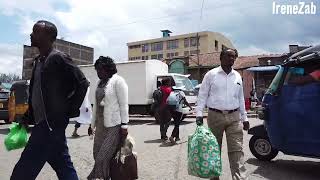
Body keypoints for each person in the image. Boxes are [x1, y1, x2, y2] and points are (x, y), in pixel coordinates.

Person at [11, 20, 89, 180]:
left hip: (49, 125)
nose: (31, 34)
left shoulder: (58, 58)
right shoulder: (39, 61)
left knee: (23, 170)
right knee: (63, 165)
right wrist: (27, 117)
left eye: (36, 31)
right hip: (45, 123)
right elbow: (38, 94)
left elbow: (82, 83)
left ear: (48, 36)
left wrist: (68, 111)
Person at [196, 48, 250, 180]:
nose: (231, 59)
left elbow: (240, 98)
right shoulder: (211, 74)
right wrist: (199, 114)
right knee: (214, 149)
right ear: (221, 57)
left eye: (234, 57)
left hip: (234, 117)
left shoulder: (237, 76)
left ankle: (239, 178)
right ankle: (214, 177)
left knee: (237, 150)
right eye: (228, 56)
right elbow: (202, 95)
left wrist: (245, 118)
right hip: (215, 116)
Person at [87, 56, 129, 180]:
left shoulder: (118, 81)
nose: (98, 73)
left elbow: (123, 105)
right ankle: (105, 176)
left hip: (113, 126)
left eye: (100, 70)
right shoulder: (99, 83)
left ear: (108, 69)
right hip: (100, 125)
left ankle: (99, 177)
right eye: (97, 70)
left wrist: (124, 125)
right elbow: (95, 105)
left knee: (102, 157)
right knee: (96, 154)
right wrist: (92, 125)